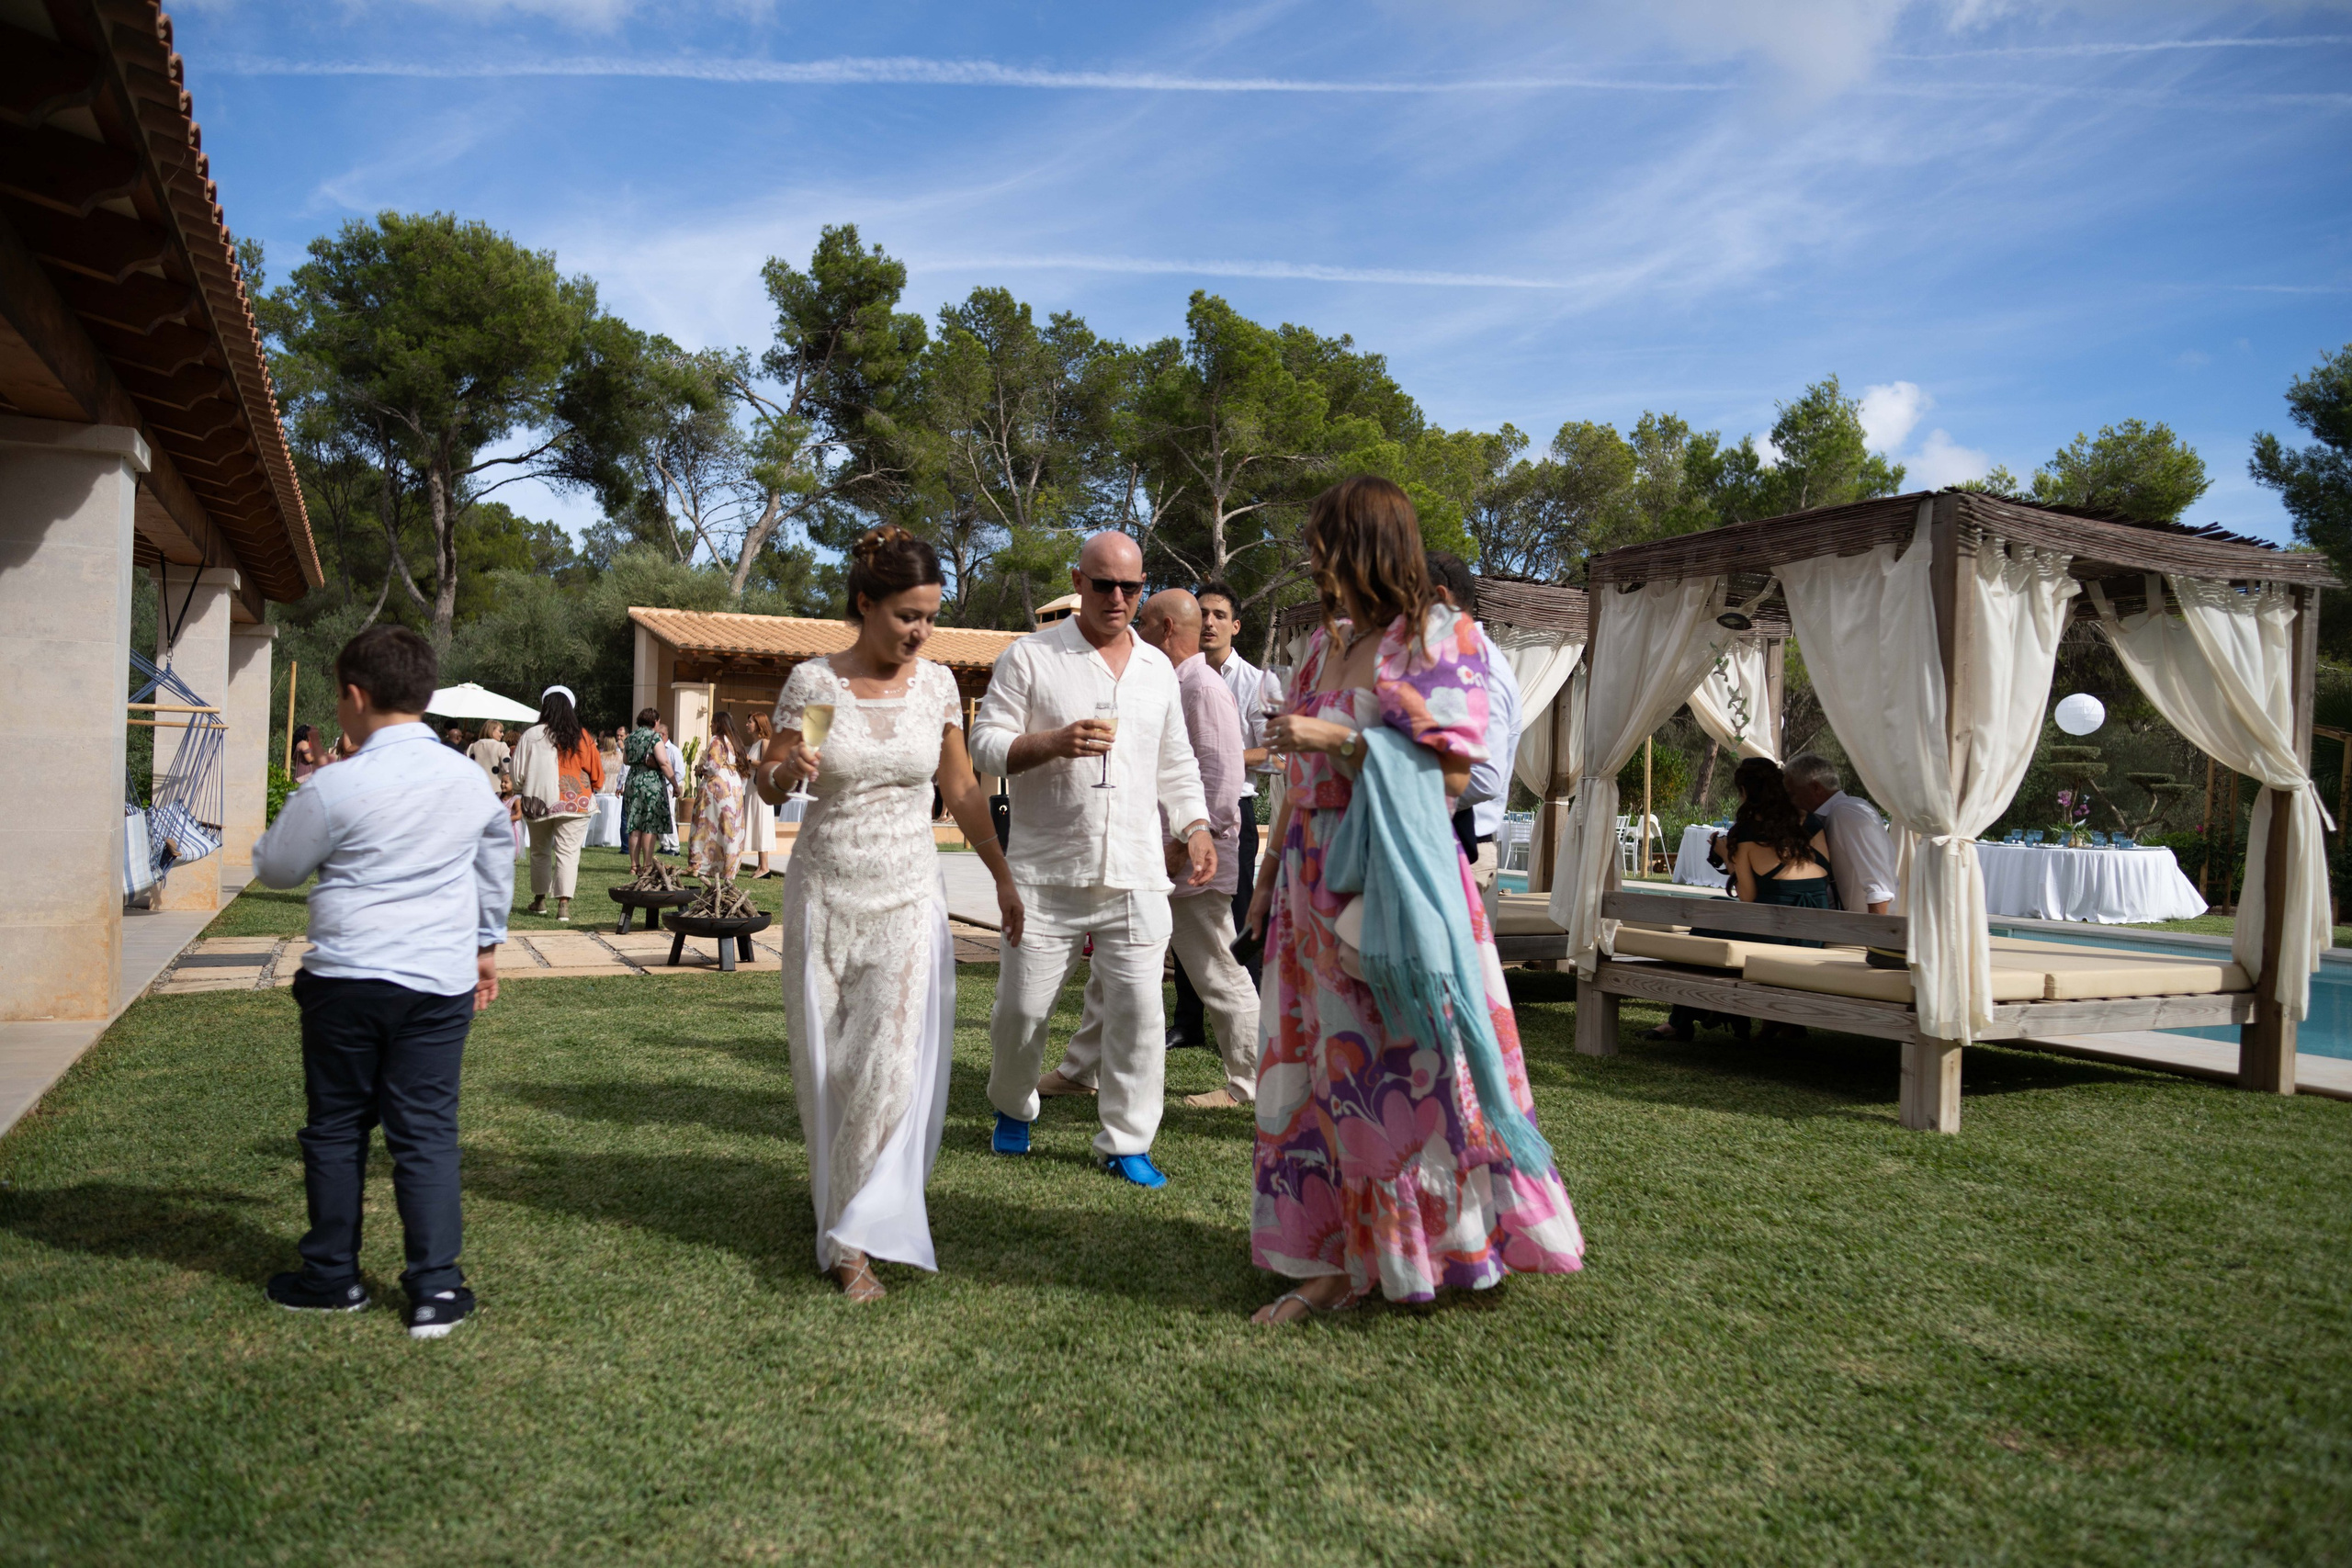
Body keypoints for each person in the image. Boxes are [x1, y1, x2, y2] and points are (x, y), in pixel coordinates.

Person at [1241, 477, 1582, 1324]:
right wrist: (1269, 871)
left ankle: (1434, 1248)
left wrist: (1338, 736)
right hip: (1309, 883)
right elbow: (1297, 779)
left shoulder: (1433, 636)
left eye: (1322, 543)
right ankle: (1332, 1255)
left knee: (1403, 1067)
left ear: (1364, 544)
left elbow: (1456, 778)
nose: (1312, 560)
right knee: (1316, 1069)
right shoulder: (1324, 645)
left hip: (1389, 879)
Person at [756, 526, 1024, 1301]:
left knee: (888, 1068)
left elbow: (962, 790)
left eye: (931, 616)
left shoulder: (938, 686)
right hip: (826, 890)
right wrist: (787, 768)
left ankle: (851, 1240)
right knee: (830, 1066)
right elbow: (772, 780)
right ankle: (842, 1194)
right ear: (865, 604)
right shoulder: (817, 686)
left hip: (908, 892)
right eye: (908, 615)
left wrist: (1002, 875)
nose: (921, 631)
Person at [249, 625, 511, 1340]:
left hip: (348, 977)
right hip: (438, 979)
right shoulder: (467, 778)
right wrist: (487, 943)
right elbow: (495, 859)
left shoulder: (335, 783)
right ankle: (436, 1290)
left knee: (336, 1125)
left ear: (355, 697)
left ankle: (332, 1277)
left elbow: (277, 867)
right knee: (426, 1129)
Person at [969, 530, 1215, 1190]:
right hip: (1045, 871)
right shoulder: (1030, 656)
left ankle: (1127, 1141)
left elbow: (1177, 761)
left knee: (1139, 1014)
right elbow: (984, 744)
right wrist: (1051, 742)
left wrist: (1194, 824)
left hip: (1135, 872)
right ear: (1078, 582)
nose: (1117, 597)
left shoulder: (1157, 669)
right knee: (1021, 1011)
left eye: (1130, 587)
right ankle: (1013, 1106)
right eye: (1103, 584)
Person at [1040, 590, 1261, 1111]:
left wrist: (1184, 846)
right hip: (1156, 857)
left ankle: (1254, 1081)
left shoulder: (1201, 687)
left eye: (1141, 621)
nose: (1133, 630)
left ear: (1164, 628)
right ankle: (1081, 1069)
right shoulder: (1177, 682)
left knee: (1218, 971)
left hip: (1189, 863)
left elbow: (1221, 780)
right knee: (1114, 964)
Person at [1648, 757, 1838, 1043]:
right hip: (1815, 930)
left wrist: (1727, 855)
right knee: (1715, 910)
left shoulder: (1748, 833)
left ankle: (1683, 1021)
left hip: (1779, 931)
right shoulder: (1810, 823)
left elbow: (1748, 899)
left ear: (1746, 792)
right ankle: (1710, 1015)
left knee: (1704, 925)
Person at [1165, 579, 1266, 1044]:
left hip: (1230, 811)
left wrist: (1221, 754)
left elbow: (1278, 754)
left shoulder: (1254, 683)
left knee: (1232, 924)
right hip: (1185, 809)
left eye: (1219, 615)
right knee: (1187, 920)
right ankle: (1188, 1024)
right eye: (1202, 613)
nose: (1208, 622)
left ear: (1236, 626)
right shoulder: (1177, 677)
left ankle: (1252, 1027)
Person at [1425, 552, 1523, 899]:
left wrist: (1398, 786)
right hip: (1437, 845)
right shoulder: (1449, 663)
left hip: (1461, 854)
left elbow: (1484, 778)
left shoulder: (1483, 670)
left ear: (1439, 599)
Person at [512, 685, 603, 922]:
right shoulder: (583, 736)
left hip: (538, 801)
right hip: (576, 802)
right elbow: (597, 775)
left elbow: (517, 774)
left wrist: (523, 787)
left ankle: (540, 900)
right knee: (568, 853)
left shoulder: (531, 735)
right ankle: (563, 905)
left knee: (539, 851)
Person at [1782, 752, 1899, 915]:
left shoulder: (1847, 811)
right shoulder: (1837, 814)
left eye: (1793, 794)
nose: (1791, 802)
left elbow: (1879, 888)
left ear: (1815, 788)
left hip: (1865, 925)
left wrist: (1874, 930)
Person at [692, 711, 748, 884]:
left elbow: (713, 766)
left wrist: (700, 769)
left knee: (708, 825)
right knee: (730, 828)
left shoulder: (717, 740)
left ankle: (702, 865)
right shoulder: (735, 741)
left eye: (712, 722)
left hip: (718, 787)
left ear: (719, 724)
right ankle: (729, 868)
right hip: (734, 786)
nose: (710, 726)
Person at [622, 707, 674, 876]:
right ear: (654, 721)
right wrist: (675, 784)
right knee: (649, 825)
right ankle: (646, 866)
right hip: (650, 783)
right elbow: (664, 762)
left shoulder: (630, 737)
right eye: (658, 721)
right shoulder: (655, 737)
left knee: (634, 825)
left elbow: (626, 760)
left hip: (632, 782)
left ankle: (633, 866)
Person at [741, 714, 779, 878]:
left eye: (750, 722)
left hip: (760, 790)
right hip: (753, 788)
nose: (747, 724)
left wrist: (749, 761)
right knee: (757, 823)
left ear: (759, 725)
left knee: (762, 823)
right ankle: (760, 866)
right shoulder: (755, 744)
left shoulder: (764, 742)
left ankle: (765, 867)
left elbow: (768, 763)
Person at [466, 720, 510, 793]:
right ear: (492, 730)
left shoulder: (472, 747)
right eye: (500, 731)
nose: (502, 734)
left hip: (475, 788)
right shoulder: (501, 746)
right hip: (495, 789)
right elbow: (507, 766)